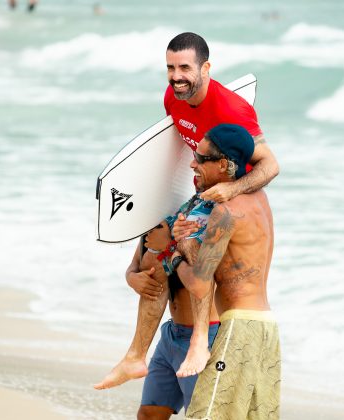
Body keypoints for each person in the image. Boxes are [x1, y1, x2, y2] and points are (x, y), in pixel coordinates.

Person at [94, 32, 279, 418]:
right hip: (200, 189)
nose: (176, 76)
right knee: (159, 242)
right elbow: (176, 161)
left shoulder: (233, 111)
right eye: (170, 67)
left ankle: (197, 340)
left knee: (192, 262)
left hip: (224, 193)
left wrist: (229, 190)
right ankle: (135, 354)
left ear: (206, 69)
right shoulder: (172, 99)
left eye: (185, 68)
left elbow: (270, 165)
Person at [170, 124, 280, 419]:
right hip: (266, 328)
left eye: (200, 157)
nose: (193, 163)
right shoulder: (260, 202)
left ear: (223, 165)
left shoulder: (226, 210)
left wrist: (179, 251)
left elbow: (199, 282)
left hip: (238, 330)